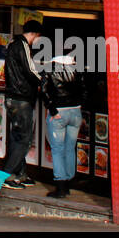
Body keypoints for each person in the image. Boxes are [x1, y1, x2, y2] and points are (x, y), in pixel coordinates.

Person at [3, 20, 43, 190]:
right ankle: (7, 175)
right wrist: (42, 80)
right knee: (24, 139)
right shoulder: (23, 45)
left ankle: (21, 174)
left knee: (16, 137)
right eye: (38, 36)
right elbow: (29, 69)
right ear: (33, 33)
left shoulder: (12, 44)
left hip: (12, 97)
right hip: (21, 98)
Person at [41, 54, 85, 198]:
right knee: (70, 148)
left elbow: (44, 91)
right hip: (75, 111)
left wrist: (52, 110)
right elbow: (84, 90)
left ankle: (60, 186)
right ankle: (68, 183)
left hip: (59, 113)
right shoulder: (77, 68)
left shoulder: (49, 68)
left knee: (57, 150)